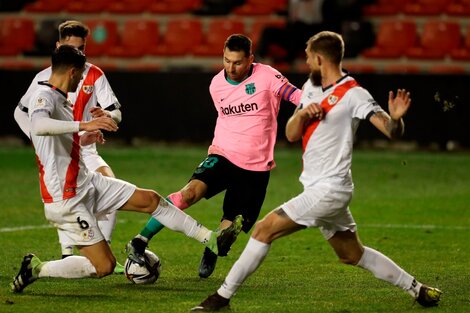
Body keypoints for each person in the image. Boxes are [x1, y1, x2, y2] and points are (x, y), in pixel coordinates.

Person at [191, 31, 442, 311]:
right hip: (318, 189)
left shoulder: (353, 93)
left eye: (309, 57)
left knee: (263, 230)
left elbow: (390, 130)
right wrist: (301, 115)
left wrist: (396, 120)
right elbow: (290, 134)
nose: (307, 62)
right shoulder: (311, 88)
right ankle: (417, 289)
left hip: (330, 189)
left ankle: (220, 298)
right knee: (351, 254)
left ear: (320, 58)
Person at [10, 45, 242, 293]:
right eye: (80, 75)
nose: (80, 81)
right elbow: (38, 125)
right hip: (66, 198)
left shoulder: (61, 97)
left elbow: (54, 142)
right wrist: (85, 123)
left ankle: (211, 240)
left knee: (151, 199)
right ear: (71, 71)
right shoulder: (43, 95)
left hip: (86, 182)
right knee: (103, 266)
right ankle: (36, 268)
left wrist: (83, 136)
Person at [126, 34, 303, 278]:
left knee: (230, 228)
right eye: (226, 60)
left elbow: (296, 96)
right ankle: (140, 240)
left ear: (251, 59)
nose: (231, 67)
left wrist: (316, 106)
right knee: (189, 192)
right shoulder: (216, 84)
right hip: (223, 154)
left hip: (255, 167)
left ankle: (212, 249)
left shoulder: (268, 76)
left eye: (238, 62)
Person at [14, 21, 125, 273]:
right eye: (72, 47)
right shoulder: (43, 78)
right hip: (59, 151)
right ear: (58, 46)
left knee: (109, 187)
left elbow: (114, 110)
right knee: (67, 197)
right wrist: (39, 141)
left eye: (82, 48)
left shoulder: (94, 73)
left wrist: (108, 119)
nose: (79, 54)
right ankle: (68, 255)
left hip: (86, 149)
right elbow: (20, 112)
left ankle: (101, 251)